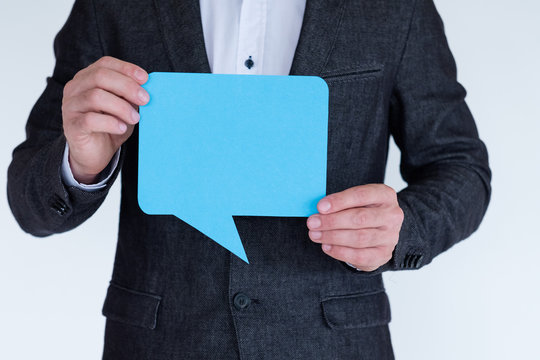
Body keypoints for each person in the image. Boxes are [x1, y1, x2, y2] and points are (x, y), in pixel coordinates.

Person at [7, 0, 491, 359]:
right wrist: (80, 164)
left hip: (333, 343)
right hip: (159, 342)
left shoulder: (395, 7)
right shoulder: (112, 5)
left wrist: (404, 227)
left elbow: (460, 164)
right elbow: (30, 204)